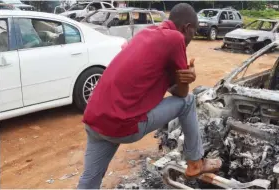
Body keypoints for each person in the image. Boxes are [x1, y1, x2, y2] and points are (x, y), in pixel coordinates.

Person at [77, 3, 222, 189]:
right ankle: (195, 161)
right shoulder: (175, 38)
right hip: (124, 124)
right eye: (193, 34)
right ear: (187, 28)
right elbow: (183, 94)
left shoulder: (147, 33)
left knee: (89, 180)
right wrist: (188, 77)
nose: (191, 40)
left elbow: (171, 86)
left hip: (95, 119)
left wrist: (180, 79)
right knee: (189, 101)